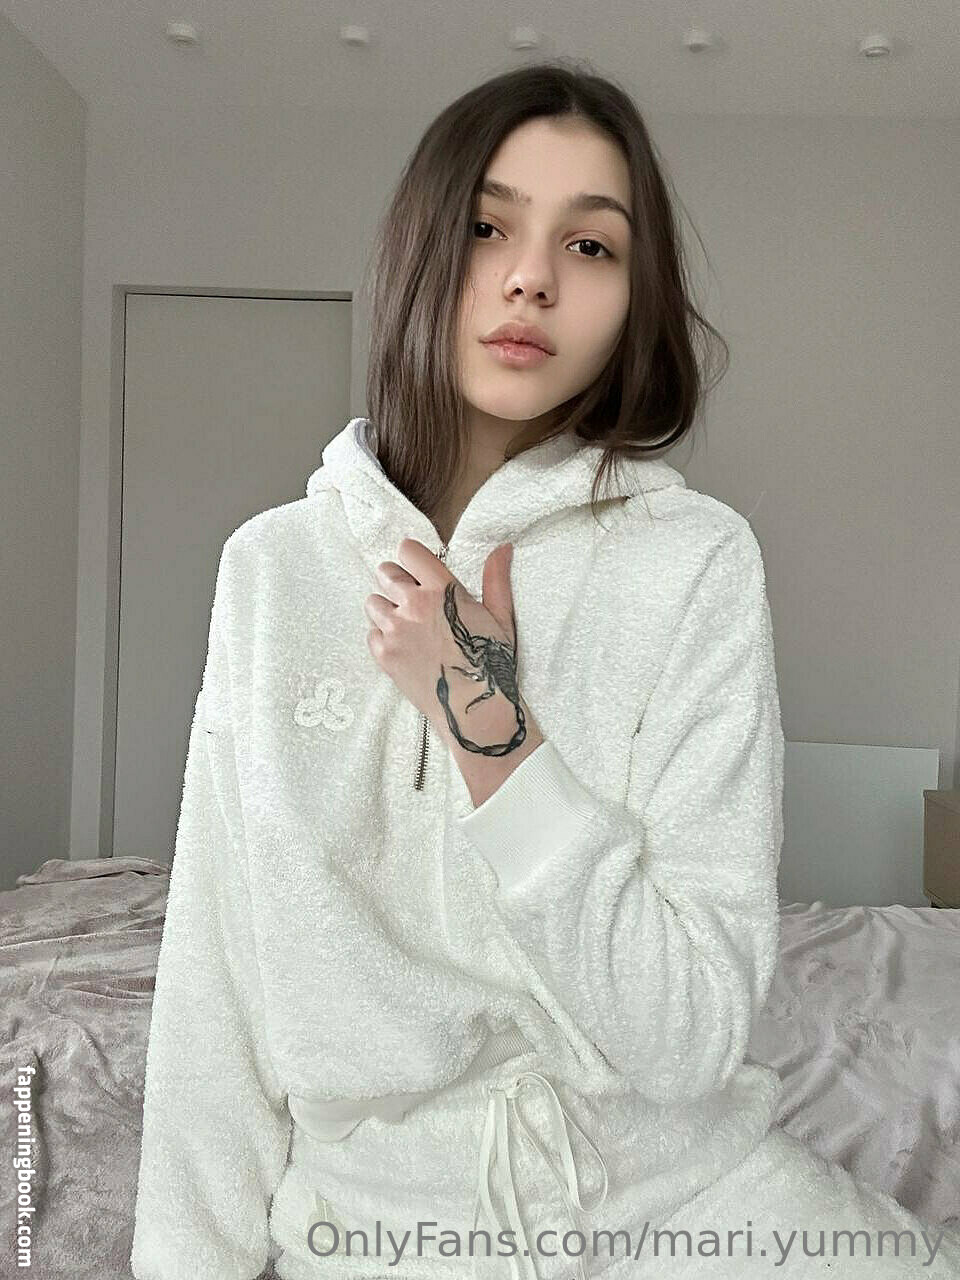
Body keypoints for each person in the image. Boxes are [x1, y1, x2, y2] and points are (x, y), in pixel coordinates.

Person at [129, 59, 960, 1280]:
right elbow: (217, 978)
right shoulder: (274, 569)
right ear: (420, 248)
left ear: (634, 300)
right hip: (374, 1223)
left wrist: (492, 732)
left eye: (590, 245)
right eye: (489, 226)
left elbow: (688, 1036)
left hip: (675, 1188)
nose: (531, 276)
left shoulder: (695, 559)